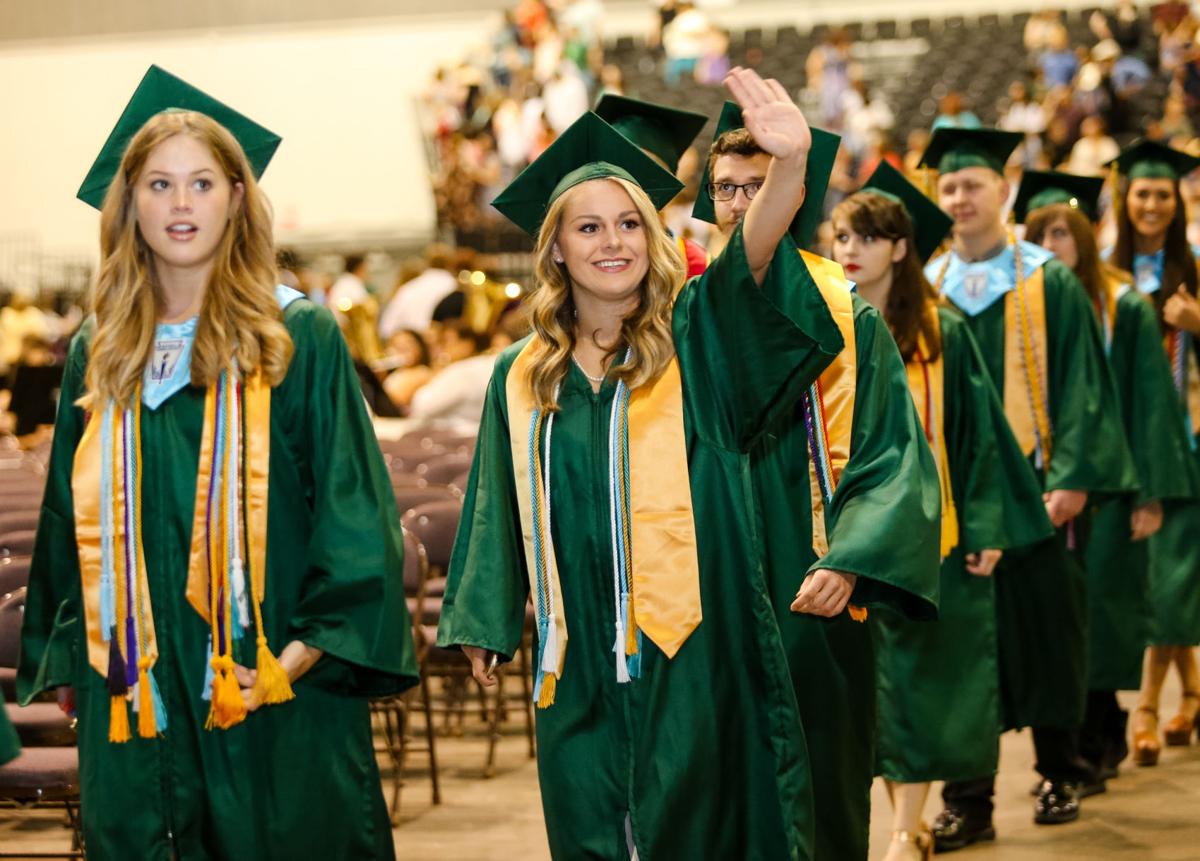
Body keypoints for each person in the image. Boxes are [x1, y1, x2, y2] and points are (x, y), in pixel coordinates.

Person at [438, 69, 845, 860]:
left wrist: (788, 169)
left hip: (691, 643)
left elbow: (749, 265)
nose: (613, 242)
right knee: (592, 823)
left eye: (630, 223)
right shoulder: (522, 374)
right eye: (588, 229)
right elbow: (496, 502)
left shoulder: (696, 337)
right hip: (576, 647)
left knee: (699, 819)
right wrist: (487, 618)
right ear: (554, 245)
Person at [16, 66, 417, 859]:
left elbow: (351, 512)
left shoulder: (297, 337)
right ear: (128, 202)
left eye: (202, 181)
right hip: (138, 694)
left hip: (270, 683)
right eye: (158, 183)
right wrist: (78, 659)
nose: (180, 202)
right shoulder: (101, 352)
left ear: (238, 196)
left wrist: (297, 658)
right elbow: (68, 520)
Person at [693, 102, 942, 861]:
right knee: (721, 779)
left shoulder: (849, 316)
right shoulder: (678, 312)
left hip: (814, 586)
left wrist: (851, 555)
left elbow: (892, 455)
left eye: (756, 184)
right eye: (727, 188)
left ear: (793, 195)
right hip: (708, 588)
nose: (739, 203)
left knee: (825, 776)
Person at [921, 127, 1137, 848]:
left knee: (1049, 631)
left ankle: (1060, 770)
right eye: (948, 187)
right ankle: (968, 797)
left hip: (1040, 486)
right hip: (959, 496)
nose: (958, 197)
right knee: (964, 647)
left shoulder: (1047, 278)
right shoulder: (929, 284)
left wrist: (1074, 475)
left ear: (1003, 191)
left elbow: (1084, 385)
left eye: (971, 184)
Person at [832, 162, 1054, 861]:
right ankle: (889, 823)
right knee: (863, 688)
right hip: (843, 539)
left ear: (900, 248)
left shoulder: (942, 333)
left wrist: (985, 527)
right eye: (842, 235)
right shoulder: (823, 328)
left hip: (934, 538)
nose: (851, 249)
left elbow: (978, 437)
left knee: (923, 685)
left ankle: (905, 825)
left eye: (869, 236)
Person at [1021, 169, 1199, 778]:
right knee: (1060, 616)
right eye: (1039, 234)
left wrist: (1151, 493)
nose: (1051, 246)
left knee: (1107, 612)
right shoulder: (1019, 308)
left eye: (1062, 233)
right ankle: (1075, 740)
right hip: (1045, 486)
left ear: (1084, 236)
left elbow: (1154, 403)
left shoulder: (1122, 304)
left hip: (1112, 486)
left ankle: (1104, 728)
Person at [1105, 140, 1200, 765]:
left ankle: (1145, 707)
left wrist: (1197, 320)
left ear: (1178, 202)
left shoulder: (1194, 269)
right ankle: (1191, 694)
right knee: (1156, 579)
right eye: (1143, 193)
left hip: (1189, 438)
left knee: (1173, 577)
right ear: (1126, 197)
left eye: (1163, 194)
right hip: (1129, 442)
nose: (1153, 204)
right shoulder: (1105, 272)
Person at [594, 93, 711, 276]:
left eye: (649, 174)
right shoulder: (585, 257)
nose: (634, 187)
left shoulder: (697, 266)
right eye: (621, 173)